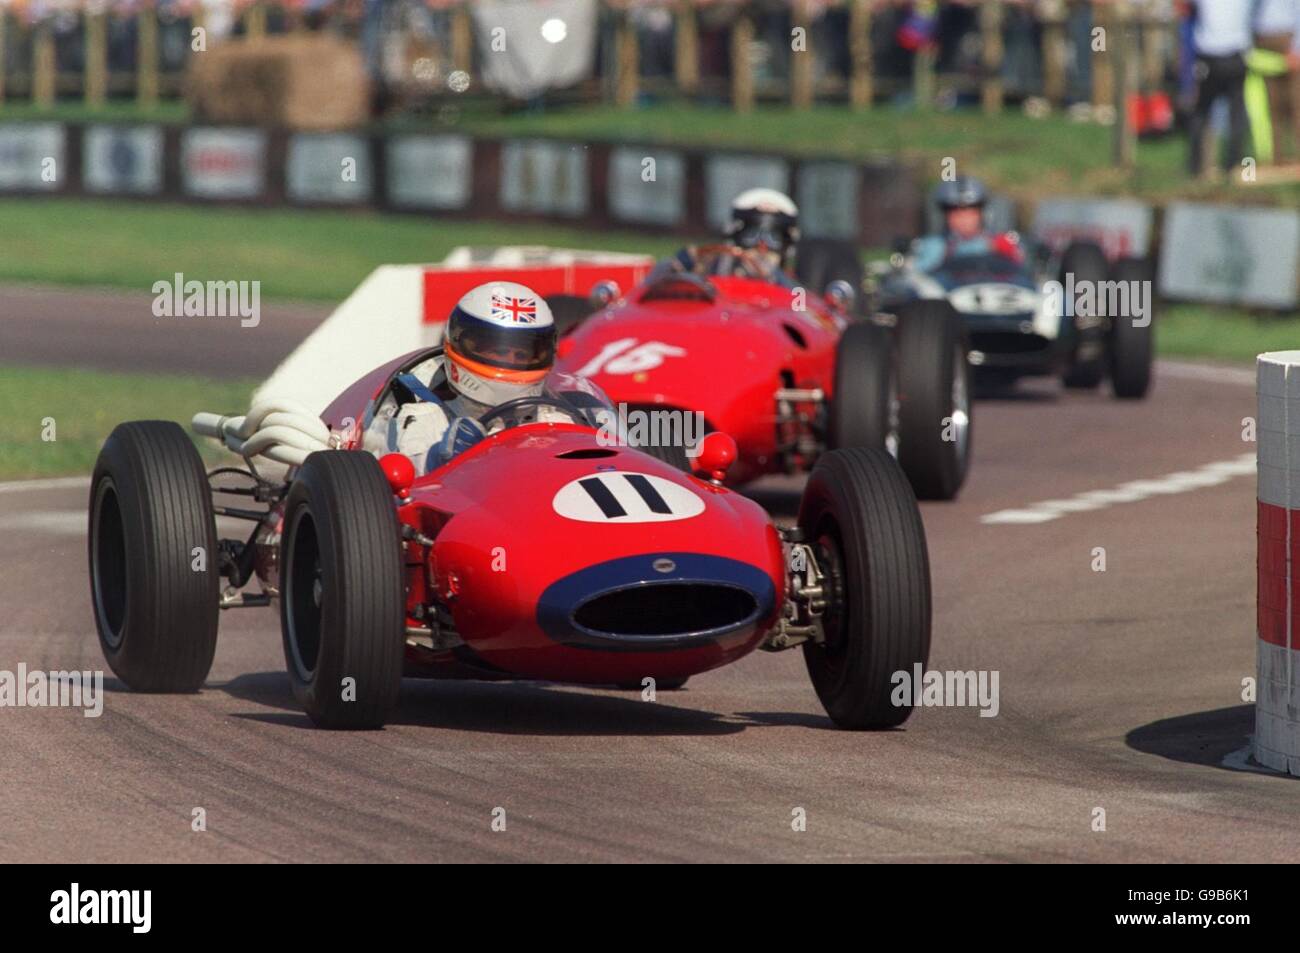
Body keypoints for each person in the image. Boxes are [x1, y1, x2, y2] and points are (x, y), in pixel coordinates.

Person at [363, 280, 580, 475]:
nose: (511, 362)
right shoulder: (425, 416)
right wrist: (440, 459)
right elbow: (403, 470)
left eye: (523, 355)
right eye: (500, 351)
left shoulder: (553, 418)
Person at [657, 188, 801, 284]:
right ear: (736, 236)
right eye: (751, 236)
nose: (761, 246)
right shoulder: (712, 268)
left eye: (773, 238)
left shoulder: (790, 287)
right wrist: (685, 262)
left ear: (786, 245)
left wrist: (772, 276)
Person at [1184, 0, 1253, 175]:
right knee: (1233, 113)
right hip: (1233, 54)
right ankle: (1232, 166)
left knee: (1202, 111)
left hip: (1213, 55)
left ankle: (1197, 168)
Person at [910, 175, 1024, 273]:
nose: (964, 220)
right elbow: (919, 273)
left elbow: (1025, 270)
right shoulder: (935, 245)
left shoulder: (1003, 242)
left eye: (970, 214)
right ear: (945, 217)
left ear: (982, 214)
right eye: (956, 215)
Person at [1254, 0, 1300, 162]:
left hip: (1287, 37)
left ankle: (1296, 155)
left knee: (1296, 102)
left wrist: (1296, 47)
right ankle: (1275, 157)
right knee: (1270, 104)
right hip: (1260, 39)